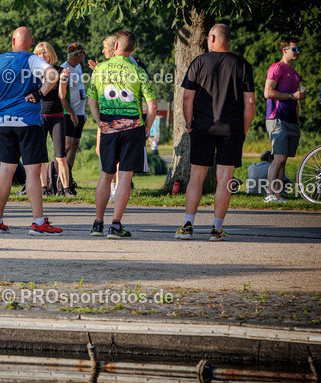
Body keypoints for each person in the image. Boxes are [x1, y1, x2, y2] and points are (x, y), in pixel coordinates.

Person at [0, 27, 63, 235]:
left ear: (12, 39)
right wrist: (40, 93)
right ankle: (38, 221)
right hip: (29, 121)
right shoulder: (31, 60)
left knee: (6, 169)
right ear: (30, 42)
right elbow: (52, 74)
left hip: (5, 121)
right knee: (32, 170)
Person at [176, 24, 255, 241]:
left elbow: (187, 97)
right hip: (231, 129)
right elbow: (250, 102)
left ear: (212, 38)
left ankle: (188, 226)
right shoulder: (242, 65)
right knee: (225, 178)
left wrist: (189, 123)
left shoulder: (199, 62)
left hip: (202, 127)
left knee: (197, 177)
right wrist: (244, 128)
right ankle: (216, 229)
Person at [88, 30, 157, 239]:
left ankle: (97, 224)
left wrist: (100, 122)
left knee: (105, 175)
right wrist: (147, 127)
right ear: (132, 49)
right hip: (133, 127)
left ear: (115, 46)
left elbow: (91, 101)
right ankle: (115, 225)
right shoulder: (138, 71)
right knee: (125, 176)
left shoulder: (99, 69)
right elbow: (152, 104)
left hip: (108, 126)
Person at [264, 37, 305, 203]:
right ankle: (269, 194)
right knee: (279, 158)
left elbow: (294, 98)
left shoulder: (295, 74)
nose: (297, 52)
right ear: (285, 50)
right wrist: (291, 96)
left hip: (291, 120)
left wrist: (297, 115)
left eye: (298, 49)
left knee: (283, 160)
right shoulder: (276, 68)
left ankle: (278, 196)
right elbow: (268, 92)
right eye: (294, 49)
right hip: (276, 118)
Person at [33, 42, 73, 197]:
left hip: (56, 116)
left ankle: (66, 188)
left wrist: (62, 79)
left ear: (51, 54)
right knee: (41, 156)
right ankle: (44, 188)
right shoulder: (33, 72)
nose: (42, 56)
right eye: (38, 54)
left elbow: (62, 96)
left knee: (60, 156)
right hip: (38, 117)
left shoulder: (60, 71)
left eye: (45, 53)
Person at [61, 42, 87, 190]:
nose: (84, 55)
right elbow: (62, 96)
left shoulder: (79, 66)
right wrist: (71, 113)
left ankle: (68, 175)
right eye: (83, 53)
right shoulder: (65, 69)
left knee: (75, 145)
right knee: (66, 145)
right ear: (76, 54)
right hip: (69, 113)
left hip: (80, 112)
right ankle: (56, 173)